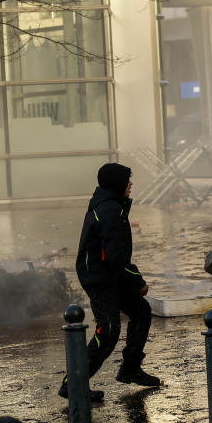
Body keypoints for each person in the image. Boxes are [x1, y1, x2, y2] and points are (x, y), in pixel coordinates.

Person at [62, 163, 161, 401]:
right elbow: (116, 258)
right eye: (128, 180)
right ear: (117, 184)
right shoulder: (109, 211)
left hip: (109, 273)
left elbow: (115, 258)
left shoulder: (112, 206)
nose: (131, 184)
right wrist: (138, 282)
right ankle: (73, 384)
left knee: (141, 311)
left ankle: (130, 369)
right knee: (107, 331)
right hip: (98, 277)